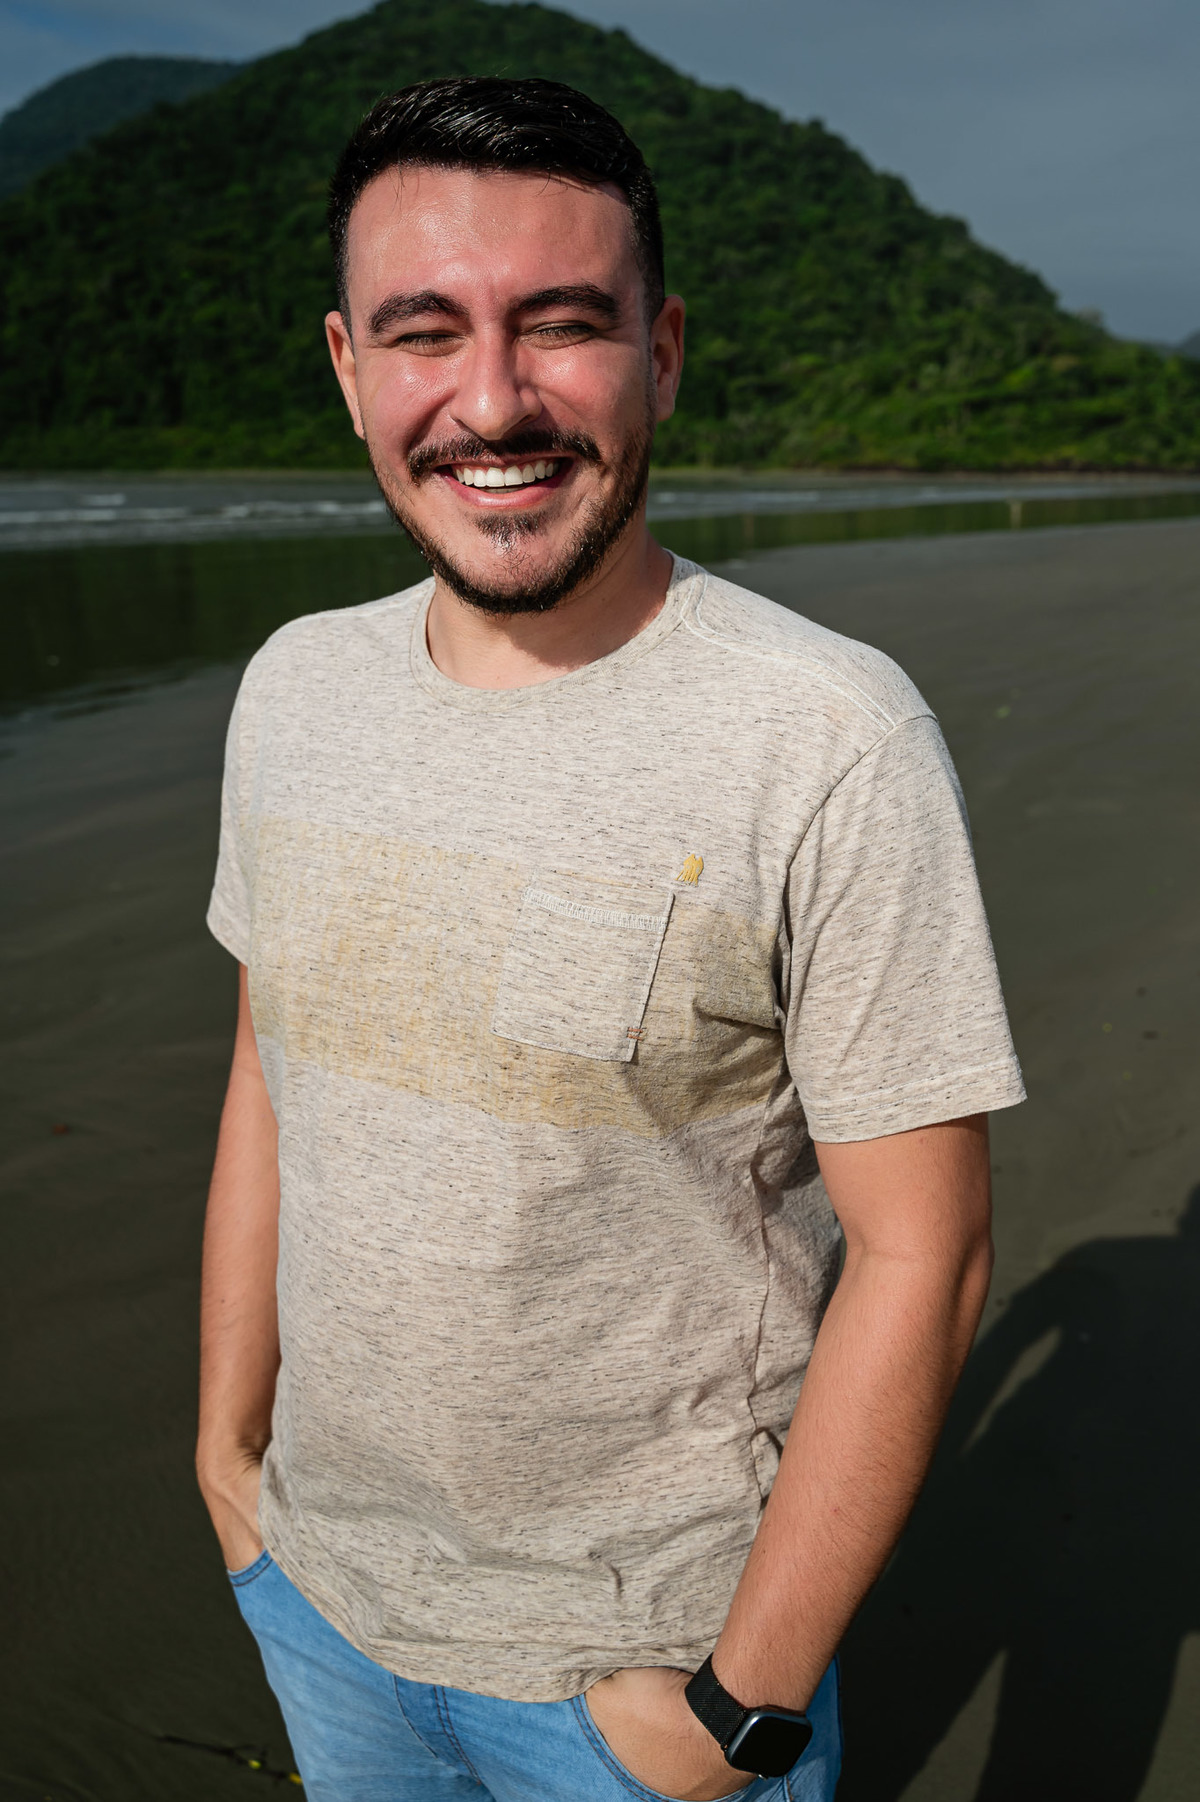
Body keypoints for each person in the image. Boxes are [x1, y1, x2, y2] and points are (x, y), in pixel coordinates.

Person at [197, 76, 1024, 1802]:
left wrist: (740, 1701)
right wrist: (226, 1451)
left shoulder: (826, 735)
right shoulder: (293, 688)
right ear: (348, 365)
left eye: (561, 326)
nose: (491, 398)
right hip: (327, 1602)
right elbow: (273, 1062)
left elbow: (925, 1257)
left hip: (643, 1674)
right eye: (425, 333)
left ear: (660, 352)